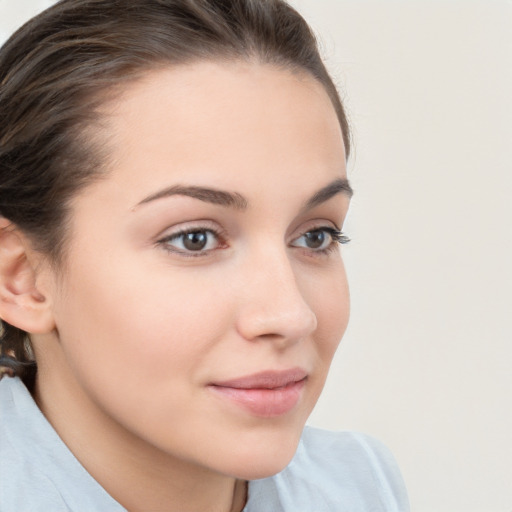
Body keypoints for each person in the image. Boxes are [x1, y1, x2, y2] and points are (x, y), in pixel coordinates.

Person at [0, 1, 409, 510]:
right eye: (194, 238)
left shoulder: (358, 486)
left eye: (315, 236)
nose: (290, 315)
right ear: (21, 278)